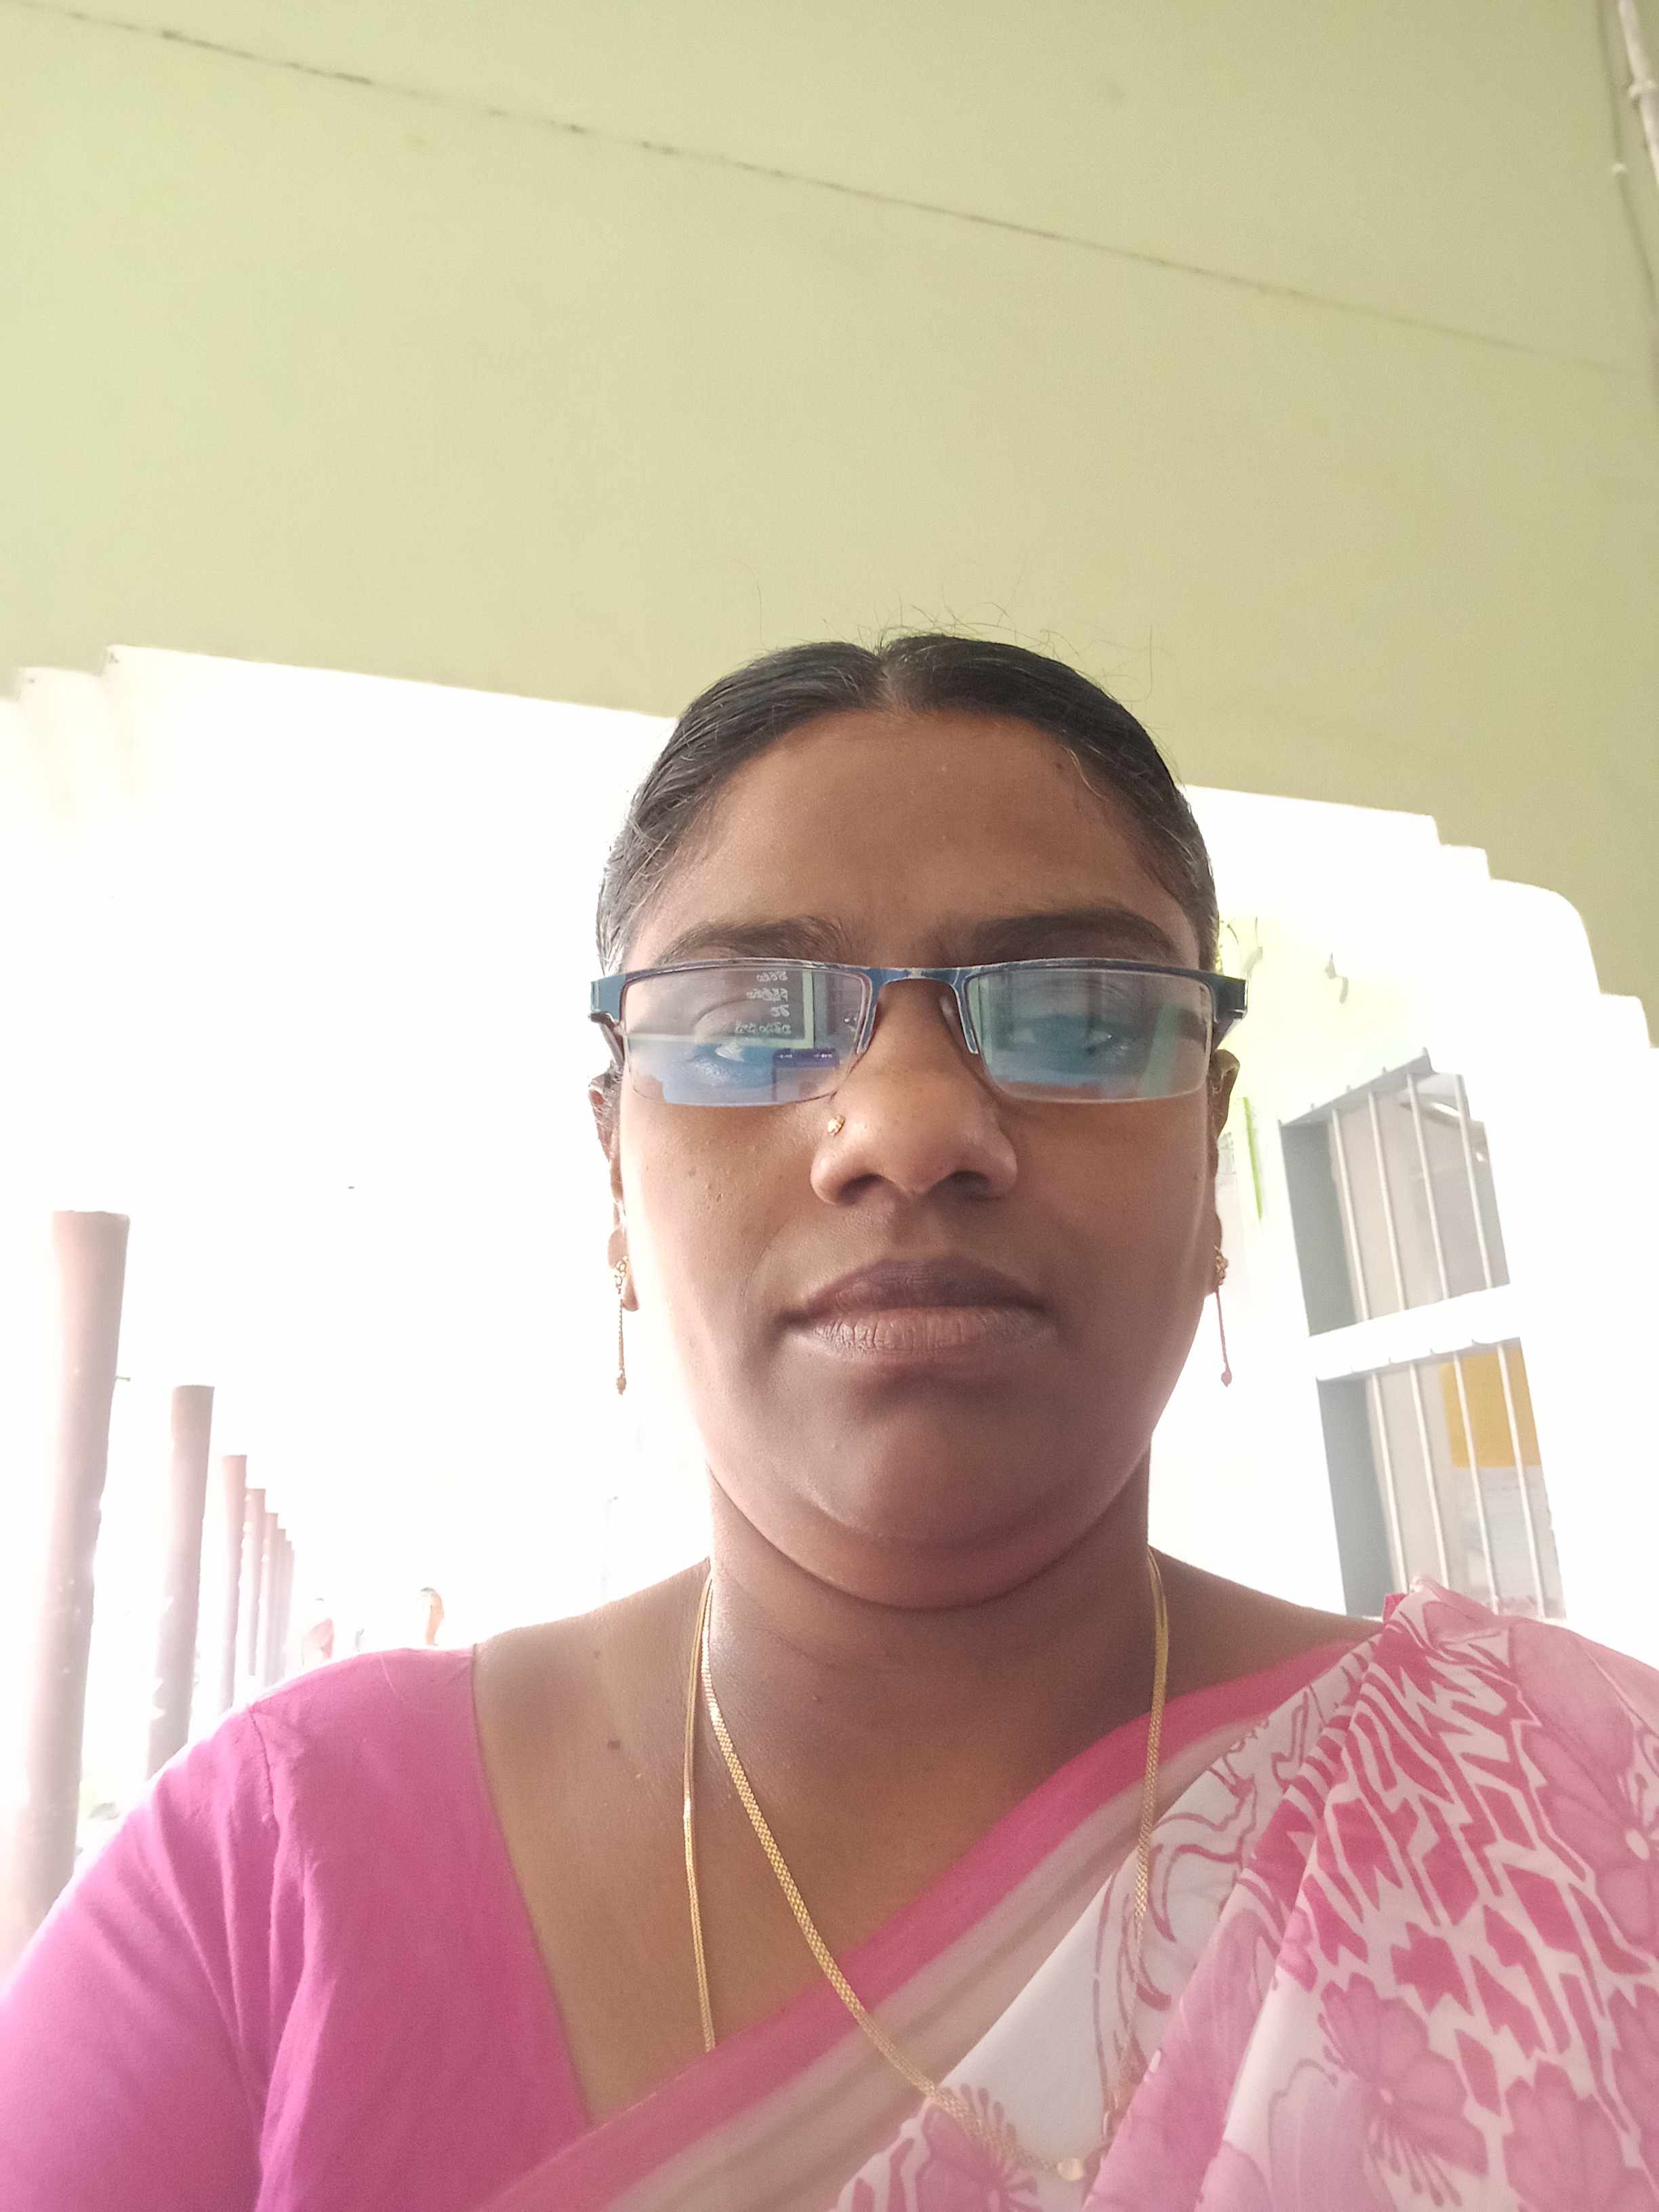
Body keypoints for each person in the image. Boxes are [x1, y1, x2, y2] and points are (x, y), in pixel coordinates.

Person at [2, 636, 1656, 2211]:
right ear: (615, 1180)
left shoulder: (1586, 1828)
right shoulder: (271, 1875)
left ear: (1209, 1159)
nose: (911, 1126)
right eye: (744, 1024)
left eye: (1080, 1016)